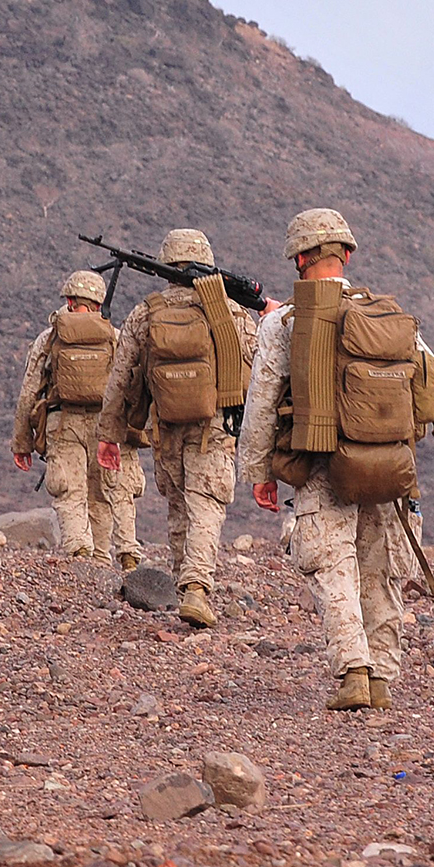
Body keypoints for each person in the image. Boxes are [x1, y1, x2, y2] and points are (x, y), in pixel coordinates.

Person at [240, 208, 434, 710]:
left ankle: (353, 671)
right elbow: (433, 386)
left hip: (319, 466)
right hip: (386, 465)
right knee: (380, 567)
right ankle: (383, 680)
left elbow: (262, 400)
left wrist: (258, 471)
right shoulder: (386, 318)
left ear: (300, 258)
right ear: (347, 254)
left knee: (333, 567)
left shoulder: (285, 323)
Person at [98, 229, 259, 628]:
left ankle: (181, 582)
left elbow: (119, 378)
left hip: (166, 425)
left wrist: (109, 434)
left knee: (180, 506)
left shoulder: (146, 312)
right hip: (216, 425)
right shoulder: (231, 313)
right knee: (206, 505)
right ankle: (197, 589)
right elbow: (258, 367)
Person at [12, 271, 139, 566]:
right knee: (103, 491)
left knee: (70, 492)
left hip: (63, 423)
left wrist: (22, 442)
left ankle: (78, 551)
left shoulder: (50, 338)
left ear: (69, 300)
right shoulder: (114, 336)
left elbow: (29, 392)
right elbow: (130, 384)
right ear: (98, 303)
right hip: (105, 425)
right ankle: (106, 556)